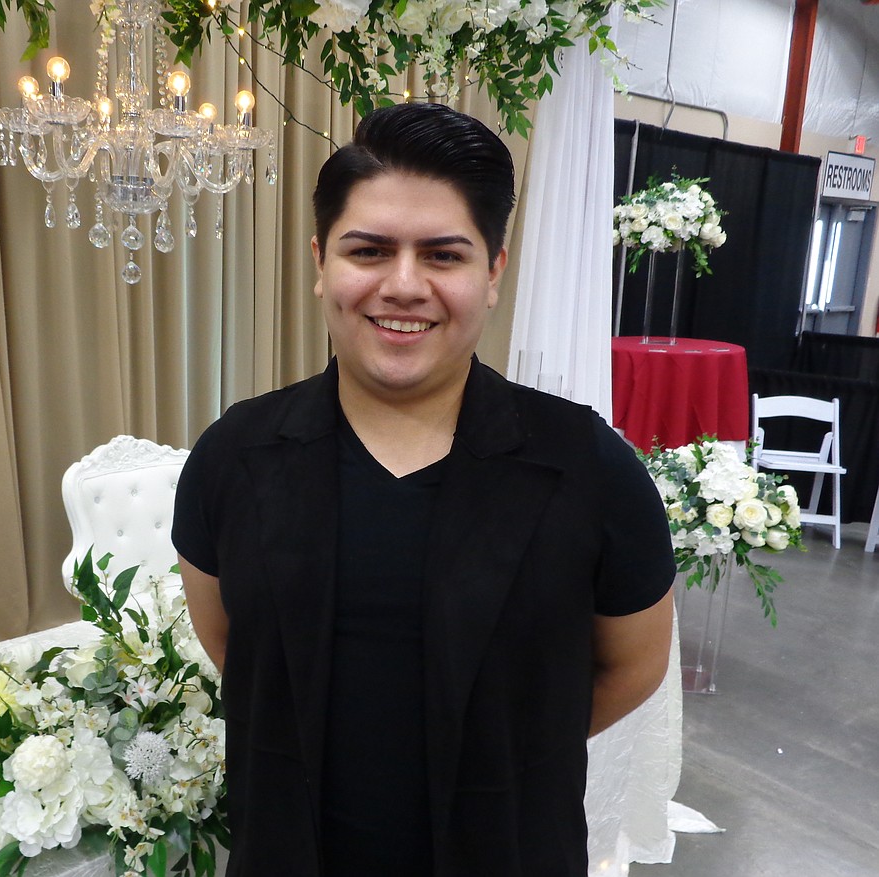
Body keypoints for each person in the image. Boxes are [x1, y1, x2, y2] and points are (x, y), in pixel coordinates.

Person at [172, 101, 676, 876]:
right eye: (368, 249)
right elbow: (232, 642)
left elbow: (633, 666)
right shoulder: (234, 455)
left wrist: (504, 743)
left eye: (444, 256)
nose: (403, 285)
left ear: (494, 271)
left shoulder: (589, 469)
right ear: (320, 262)